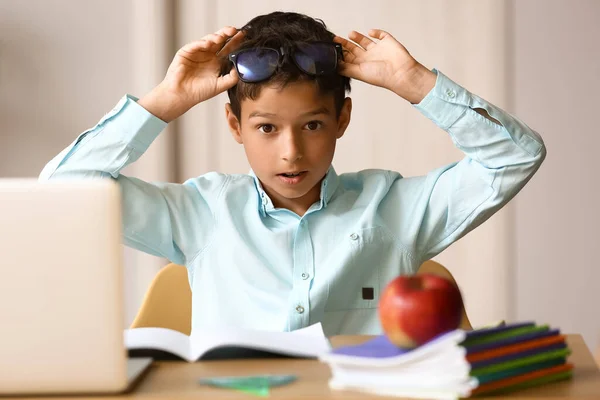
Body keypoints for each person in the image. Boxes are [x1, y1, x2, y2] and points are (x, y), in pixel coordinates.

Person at [40, 12, 546, 336]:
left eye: (313, 124)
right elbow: (63, 190)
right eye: (266, 128)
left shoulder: (393, 209)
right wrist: (164, 103)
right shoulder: (202, 214)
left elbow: (515, 156)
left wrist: (415, 83)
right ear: (235, 125)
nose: (291, 152)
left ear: (341, 120)